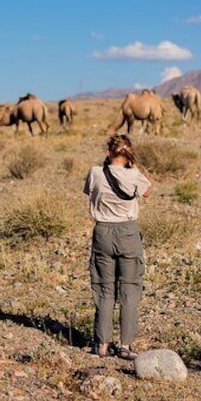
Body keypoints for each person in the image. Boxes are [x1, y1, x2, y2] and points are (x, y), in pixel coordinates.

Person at [83, 134, 152, 359]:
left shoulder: (95, 172)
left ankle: (102, 344)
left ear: (108, 151)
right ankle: (125, 346)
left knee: (104, 288)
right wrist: (133, 167)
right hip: (128, 233)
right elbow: (147, 191)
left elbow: (89, 192)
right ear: (129, 153)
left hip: (102, 231)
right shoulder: (134, 175)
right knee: (130, 289)